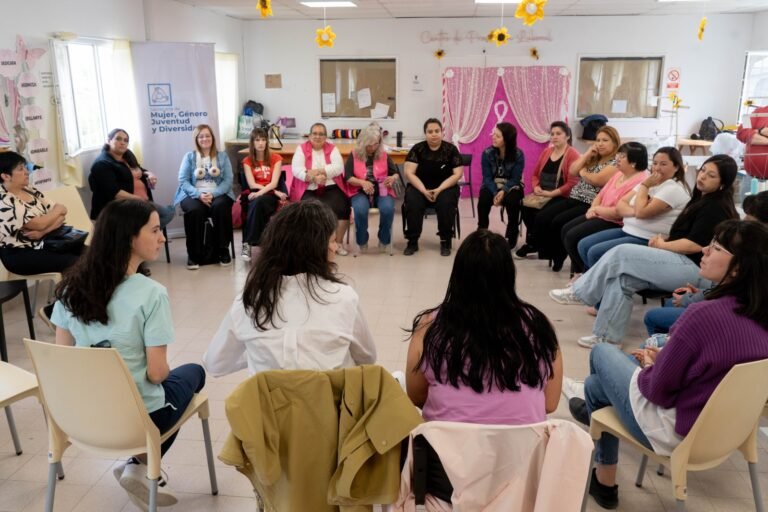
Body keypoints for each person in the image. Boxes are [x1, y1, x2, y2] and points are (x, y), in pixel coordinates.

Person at [572, 219, 768, 510]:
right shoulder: (759, 315)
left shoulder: (701, 315)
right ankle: (604, 481)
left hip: (677, 432)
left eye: (715, 248)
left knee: (602, 353)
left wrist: (651, 367)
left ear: (738, 268)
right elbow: (716, 371)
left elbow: (658, 392)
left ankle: (604, 476)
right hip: (728, 433)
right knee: (596, 386)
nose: (704, 250)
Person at [51, 199, 206, 509]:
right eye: (154, 230)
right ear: (128, 238)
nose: (163, 237)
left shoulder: (70, 288)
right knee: (195, 373)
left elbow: (60, 361)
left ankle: (137, 466)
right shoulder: (151, 294)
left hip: (81, 418)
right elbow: (157, 374)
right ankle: (139, 465)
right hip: (134, 421)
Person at [549, 154, 739, 347]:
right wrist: (665, 239)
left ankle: (580, 292)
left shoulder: (715, 207)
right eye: (703, 170)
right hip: (678, 258)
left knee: (621, 252)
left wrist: (663, 245)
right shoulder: (700, 199)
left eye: (711, 175)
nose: (703, 176)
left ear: (723, 183)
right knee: (622, 279)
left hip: (695, 269)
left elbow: (695, 244)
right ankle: (607, 338)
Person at [405, 229, 562, 424]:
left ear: (458, 275)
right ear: (509, 274)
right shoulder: (538, 326)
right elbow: (550, 403)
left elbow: (416, 396)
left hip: (445, 450)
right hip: (523, 452)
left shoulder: (430, 327)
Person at [203, 201, 377, 377]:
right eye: (332, 241)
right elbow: (367, 358)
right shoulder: (343, 297)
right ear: (313, 248)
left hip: (268, 403)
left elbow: (215, 365)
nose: (335, 247)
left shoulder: (249, 300)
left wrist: (258, 350)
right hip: (329, 402)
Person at [642, 190, 768, 336]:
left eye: (716, 248)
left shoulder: (753, 259)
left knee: (654, 317)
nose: (705, 250)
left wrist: (693, 299)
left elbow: (733, 296)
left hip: (731, 316)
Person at [0, 151, 83, 327]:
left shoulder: (30, 190)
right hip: (20, 254)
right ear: (5, 176)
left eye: (26, 168)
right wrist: (45, 224)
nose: (27, 172)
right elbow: (39, 223)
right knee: (76, 263)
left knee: (93, 255)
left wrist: (43, 230)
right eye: (21, 169)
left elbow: (62, 212)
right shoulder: (4, 201)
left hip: (46, 242)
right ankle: (55, 312)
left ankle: (78, 309)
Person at [577, 146, 690, 271]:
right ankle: (590, 282)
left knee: (595, 252)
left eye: (663, 164)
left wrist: (644, 188)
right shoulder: (651, 182)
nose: (657, 168)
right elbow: (621, 205)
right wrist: (638, 208)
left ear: (676, 167)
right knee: (584, 245)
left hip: (647, 237)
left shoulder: (672, 188)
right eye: (655, 163)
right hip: (628, 230)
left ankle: (594, 285)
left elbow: (641, 212)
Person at [534, 126, 620, 271]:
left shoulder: (615, 163)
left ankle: (559, 257)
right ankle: (550, 252)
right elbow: (573, 171)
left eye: (605, 140)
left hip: (589, 203)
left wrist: (583, 172)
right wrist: (586, 155)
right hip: (574, 197)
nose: (600, 144)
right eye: (598, 140)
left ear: (614, 143)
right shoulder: (594, 158)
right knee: (544, 216)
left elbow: (597, 180)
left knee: (560, 222)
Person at [560, 142, 649, 275]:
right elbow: (601, 194)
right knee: (566, 229)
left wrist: (596, 210)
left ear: (634, 162)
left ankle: (586, 274)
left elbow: (618, 213)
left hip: (615, 221)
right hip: (600, 213)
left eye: (622, 156)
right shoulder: (619, 173)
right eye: (618, 154)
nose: (617, 158)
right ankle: (582, 273)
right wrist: (593, 208)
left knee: (573, 236)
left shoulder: (641, 180)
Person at [173, 124, 235, 270]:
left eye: (208, 135)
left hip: (218, 193)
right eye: (201, 136)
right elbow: (183, 180)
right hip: (193, 194)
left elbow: (228, 180)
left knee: (220, 207)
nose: (205, 139)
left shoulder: (222, 156)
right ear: (196, 139)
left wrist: (212, 194)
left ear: (212, 138)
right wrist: (199, 195)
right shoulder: (189, 157)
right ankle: (193, 255)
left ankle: (223, 250)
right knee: (195, 211)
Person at [515, 121, 580, 259]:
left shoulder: (573, 154)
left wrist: (551, 193)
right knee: (525, 207)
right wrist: (536, 187)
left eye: (559, 134)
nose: (555, 136)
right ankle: (535, 242)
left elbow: (572, 183)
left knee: (541, 216)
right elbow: (535, 175)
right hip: (542, 193)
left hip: (561, 196)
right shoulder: (547, 151)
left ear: (567, 136)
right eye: (552, 134)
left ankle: (538, 244)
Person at [89, 128, 175, 227]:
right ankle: (140, 235)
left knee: (168, 213)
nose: (122, 143)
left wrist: (149, 174)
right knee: (167, 213)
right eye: (118, 139)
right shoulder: (102, 164)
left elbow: (139, 169)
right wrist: (140, 200)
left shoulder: (127, 155)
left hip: (140, 202)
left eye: (126, 140)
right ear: (109, 141)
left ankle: (142, 235)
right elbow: (115, 193)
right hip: (123, 207)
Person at [403, 118, 463, 257]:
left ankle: (445, 240)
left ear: (442, 132)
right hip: (420, 187)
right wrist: (424, 190)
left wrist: (439, 189)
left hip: (445, 187)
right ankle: (412, 241)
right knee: (412, 201)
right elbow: (409, 173)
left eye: (437, 131)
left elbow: (457, 174)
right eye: (430, 131)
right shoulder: (417, 149)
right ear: (425, 133)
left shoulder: (451, 150)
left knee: (446, 202)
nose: (434, 134)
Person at [291, 122, 351, 256]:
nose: (318, 137)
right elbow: (296, 170)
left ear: (326, 137)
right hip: (308, 188)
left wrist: (318, 171)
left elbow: (338, 167)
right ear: (309, 135)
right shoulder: (301, 149)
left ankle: (338, 244)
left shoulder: (333, 148)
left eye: (321, 134)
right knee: (307, 211)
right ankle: (312, 247)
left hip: (330, 186)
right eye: (315, 134)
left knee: (343, 206)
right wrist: (313, 178)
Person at [344, 124, 400, 254]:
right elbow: (348, 177)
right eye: (369, 145)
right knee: (360, 210)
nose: (372, 148)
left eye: (375, 144)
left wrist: (393, 178)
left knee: (388, 209)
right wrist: (362, 182)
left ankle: (384, 239)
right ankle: (362, 240)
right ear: (362, 143)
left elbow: (395, 172)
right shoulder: (354, 154)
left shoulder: (383, 154)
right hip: (359, 191)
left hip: (382, 190)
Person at [240, 128, 287, 262]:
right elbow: (252, 184)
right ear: (252, 143)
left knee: (258, 202)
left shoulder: (276, 158)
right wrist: (271, 191)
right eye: (257, 140)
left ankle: (247, 243)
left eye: (263, 140)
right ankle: (263, 244)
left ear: (267, 142)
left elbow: (273, 183)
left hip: (268, 196)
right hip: (258, 193)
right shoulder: (247, 161)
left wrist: (267, 192)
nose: (260, 143)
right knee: (257, 203)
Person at [477, 122, 525, 249]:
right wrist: (494, 193)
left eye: (497, 136)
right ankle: (482, 232)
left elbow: (515, 178)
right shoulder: (487, 153)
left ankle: (512, 232)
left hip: (511, 184)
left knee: (513, 201)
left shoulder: (518, 155)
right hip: (492, 183)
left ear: (507, 139)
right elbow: (487, 178)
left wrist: (503, 191)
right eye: (494, 134)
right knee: (483, 199)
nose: (493, 137)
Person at [736, 104, 768, 179]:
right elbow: (741, 132)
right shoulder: (756, 111)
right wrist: (761, 131)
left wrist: (754, 132)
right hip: (751, 177)